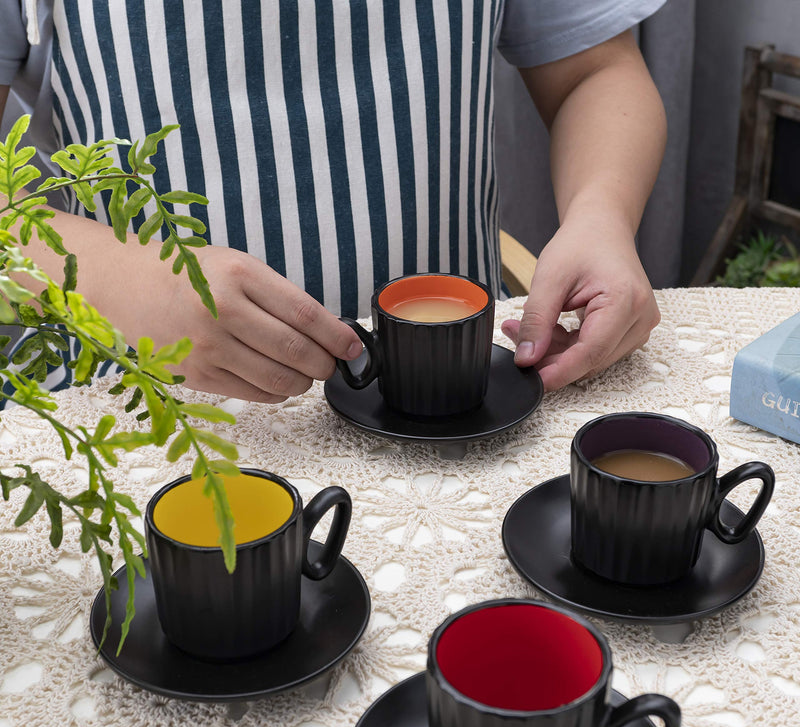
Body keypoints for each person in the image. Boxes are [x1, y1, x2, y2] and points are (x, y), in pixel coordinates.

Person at [0, 0, 666, 399]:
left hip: (457, 406)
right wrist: (113, 281)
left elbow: (594, 70)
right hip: (138, 416)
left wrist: (600, 213)